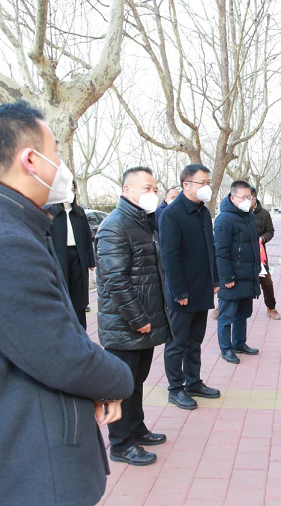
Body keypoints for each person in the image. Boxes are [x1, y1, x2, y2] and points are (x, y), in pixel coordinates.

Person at [0, 101, 133, 506]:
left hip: (27, 453)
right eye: (56, 152)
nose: (60, 164)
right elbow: (59, 353)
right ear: (31, 160)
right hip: (29, 469)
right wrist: (118, 379)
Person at [95, 166, 173, 466]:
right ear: (127, 191)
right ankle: (120, 443)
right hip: (126, 323)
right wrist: (137, 318)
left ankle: (136, 428)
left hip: (146, 319)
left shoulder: (144, 221)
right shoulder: (115, 226)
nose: (153, 193)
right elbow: (115, 280)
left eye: (155, 188)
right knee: (121, 384)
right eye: (147, 188)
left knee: (136, 381)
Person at [159, 164, 221, 410]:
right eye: (202, 183)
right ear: (186, 185)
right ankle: (176, 388)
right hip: (182, 292)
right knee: (177, 343)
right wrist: (179, 291)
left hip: (202, 287)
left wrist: (215, 279)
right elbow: (169, 257)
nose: (207, 187)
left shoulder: (202, 212)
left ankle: (194, 382)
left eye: (208, 182)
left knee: (195, 340)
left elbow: (210, 249)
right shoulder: (172, 214)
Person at [215, 180, 261, 364]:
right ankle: (226, 349)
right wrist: (226, 277)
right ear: (232, 198)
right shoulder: (224, 219)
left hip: (248, 276)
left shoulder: (248, 215)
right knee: (226, 316)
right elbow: (221, 251)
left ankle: (239, 343)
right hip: (232, 278)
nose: (247, 200)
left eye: (249, 197)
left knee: (243, 314)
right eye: (243, 197)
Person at [46, 182, 95, 329]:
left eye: (72, 190)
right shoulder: (49, 212)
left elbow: (87, 237)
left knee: (79, 295)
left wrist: (90, 260)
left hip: (78, 256)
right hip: (59, 257)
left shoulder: (79, 213)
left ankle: (81, 328)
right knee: (63, 292)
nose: (69, 193)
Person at [252, 187, 280, 319]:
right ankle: (221, 307)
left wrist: (262, 238)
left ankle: (271, 307)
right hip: (241, 256)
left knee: (267, 282)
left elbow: (270, 231)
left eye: (249, 197)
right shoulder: (239, 213)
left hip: (260, 255)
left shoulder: (264, 214)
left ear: (255, 198)